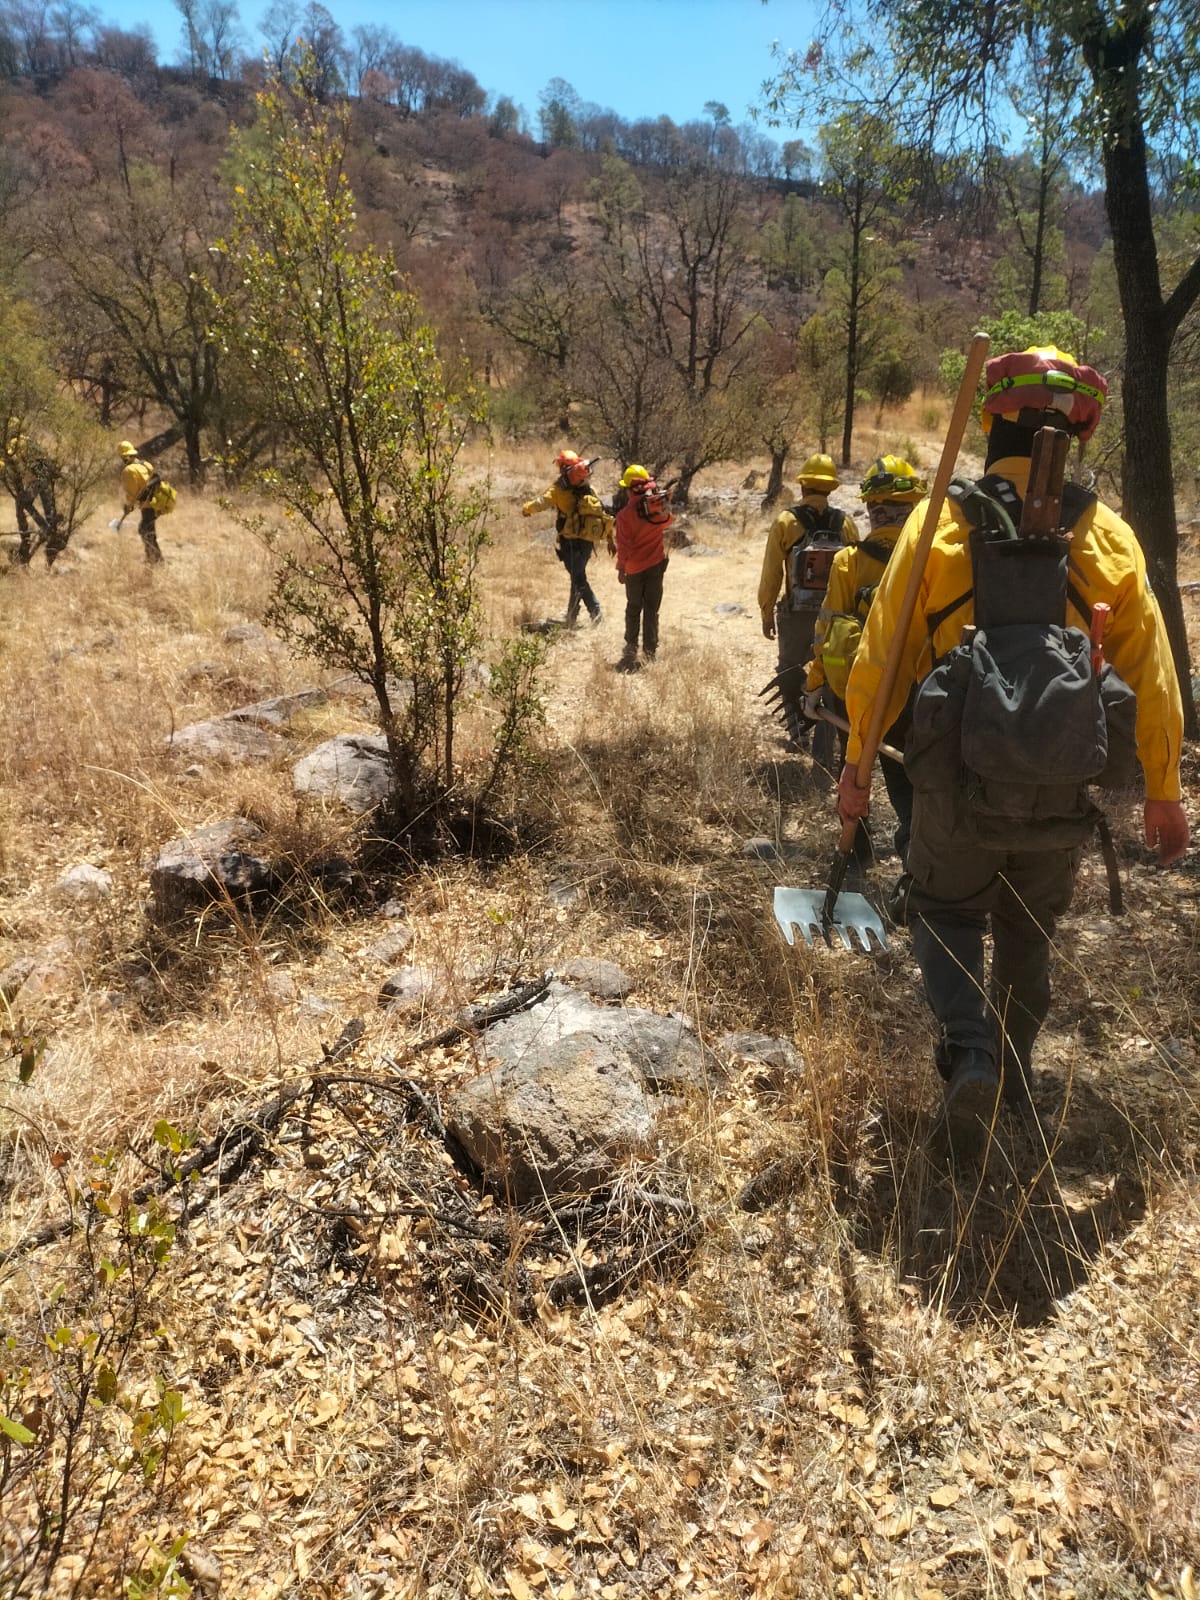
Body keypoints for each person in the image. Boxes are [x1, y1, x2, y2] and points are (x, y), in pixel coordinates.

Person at [838, 346, 1188, 1135]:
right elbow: (1156, 674)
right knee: (1029, 926)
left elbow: (878, 661)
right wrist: (1163, 789)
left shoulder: (935, 526)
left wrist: (857, 767)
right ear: (1080, 430)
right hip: (1062, 789)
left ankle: (971, 1055)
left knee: (943, 910)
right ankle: (1017, 1064)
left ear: (991, 419)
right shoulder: (1113, 541)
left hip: (951, 780)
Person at [803, 455, 923, 862]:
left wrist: (815, 685)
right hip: (918, 695)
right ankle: (916, 864)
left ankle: (856, 852)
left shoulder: (848, 561)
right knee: (909, 781)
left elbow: (827, 631)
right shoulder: (932, 559)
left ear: (872, 510)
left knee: (853, 771)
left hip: (855, 695)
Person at [757, 452, 858, 744]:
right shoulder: (846, 523)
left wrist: (766, 612)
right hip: (836, 614)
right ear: (831, 488)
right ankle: (833, 734)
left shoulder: (786, 522)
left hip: (795, 614)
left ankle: (797, 733)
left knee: (789, 668)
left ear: (802, 486)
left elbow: (772, 574)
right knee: (833, 669)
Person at [522, 449, 611, 627]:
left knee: (578, 578)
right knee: (577, 576)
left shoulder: (558, 489)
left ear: (563, 468)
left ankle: (595, 611)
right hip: (587, 540)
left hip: (569, 540)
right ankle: (571, 614)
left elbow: (541, 503)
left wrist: (526, 509)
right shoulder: (589, 488)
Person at [612, 464, 673, 671]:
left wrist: (621, 568)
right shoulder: (654, 510)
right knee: (652, 609)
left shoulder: (623, 516)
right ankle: (650, 651)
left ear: (629, 489)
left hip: (634, 570)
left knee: (633, 607)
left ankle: (630, 646)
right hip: (656, 566)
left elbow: (624, 546)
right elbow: (668, 522)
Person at [2, 428, 65, 566]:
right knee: (47, 505)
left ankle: (46, 529)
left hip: (38, 477)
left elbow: (12, 462)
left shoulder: (13, 443)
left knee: (25, 502)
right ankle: (52, 531)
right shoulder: (27, 439)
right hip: (46, 474)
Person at [118, 440, 164, 564]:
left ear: (123, 457)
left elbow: (132, 494)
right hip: (156, 502)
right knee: (146, 529)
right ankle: (154, 557)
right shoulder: (146, 464)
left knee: (146, 531)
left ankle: (155, 559)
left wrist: (128, 506)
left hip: (147, 505)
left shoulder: (128, 471)